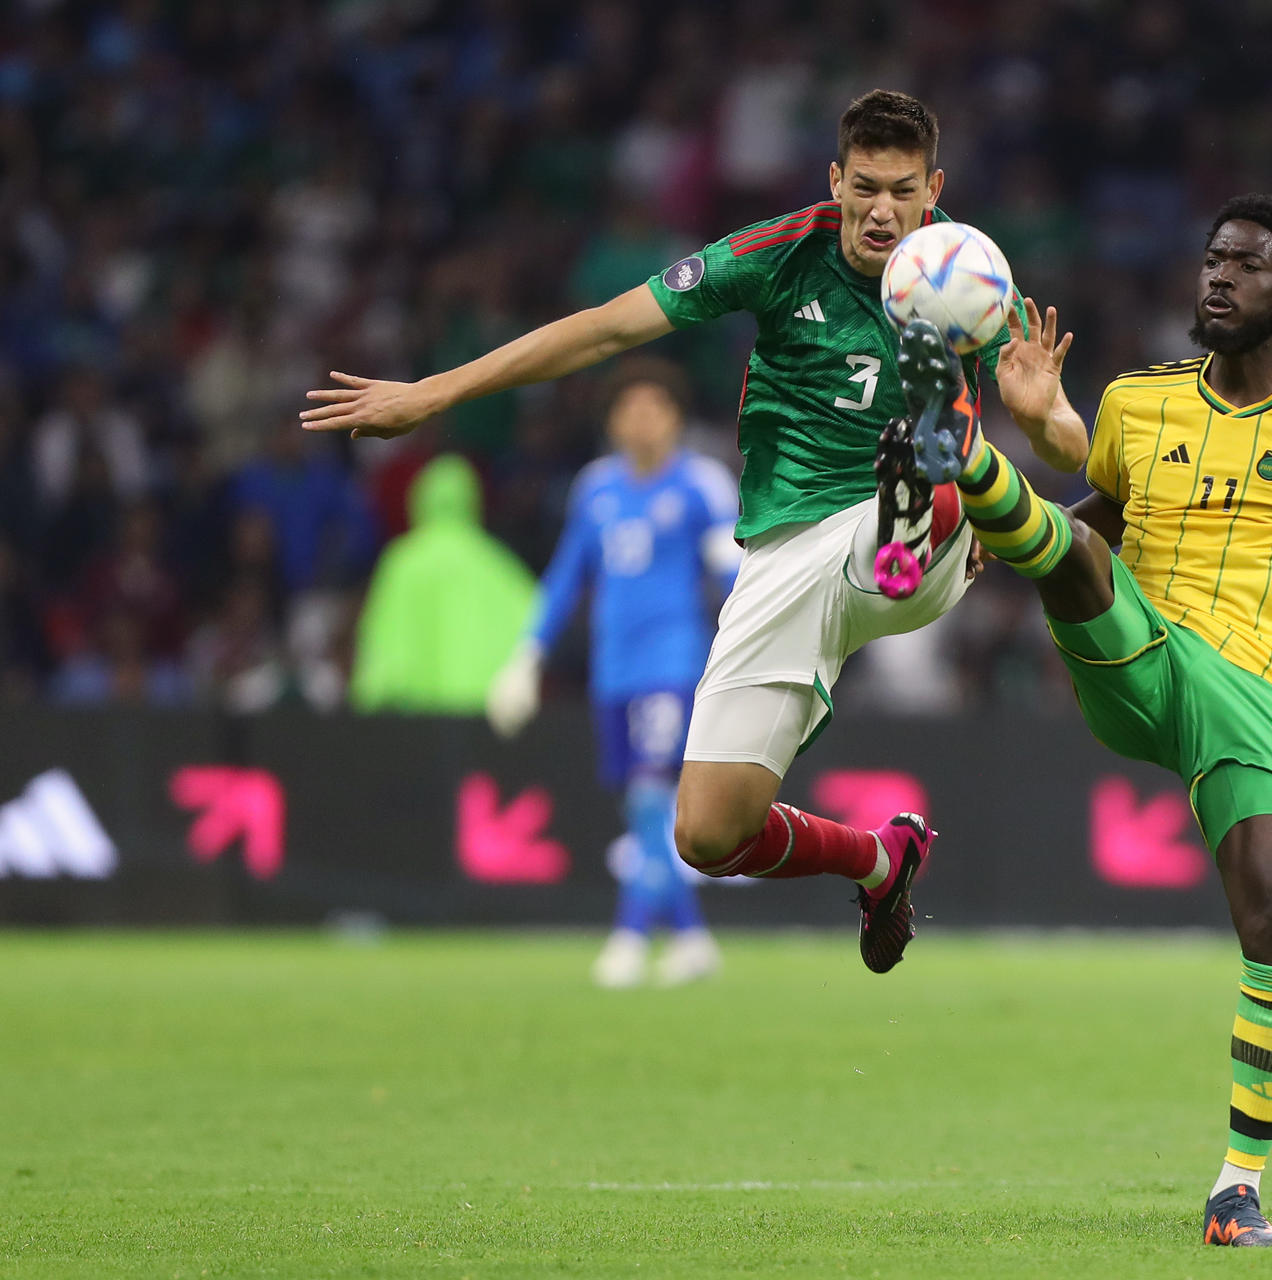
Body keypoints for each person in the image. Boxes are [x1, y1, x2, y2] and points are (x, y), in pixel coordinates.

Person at [301, 90, 1084, 972]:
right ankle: (880, 861)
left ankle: (922, 489)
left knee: (925, 462)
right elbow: (604, 330)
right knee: (708, 832)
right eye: (864, 186)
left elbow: (1070, 443)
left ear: (933, 186)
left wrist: (1043, 413)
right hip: (787, 558)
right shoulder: (777, 253)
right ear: (836, 178)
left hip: (913, 541)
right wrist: (436, 392)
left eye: (904, 190)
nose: (883, 211)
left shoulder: (969, 273)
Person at [891, 194, 1272, 1248]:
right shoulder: (1135, 399)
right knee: (1078, 558)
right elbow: (1106, 522)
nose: (1217, 277)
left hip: (1257, 702)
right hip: (1143, 659)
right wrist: (1021, 520)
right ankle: (962, 453)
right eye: (1211, 260)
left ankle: (1235, 1191)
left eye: (1246, 266)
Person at [487, 359, 739, 988]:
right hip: (612, 671)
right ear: (614, 421)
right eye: (630, 409)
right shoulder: (596, 489)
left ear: (676, 419)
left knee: (654, 792)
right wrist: (527, 655)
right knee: (640, 807)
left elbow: (736, 578)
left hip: (672, 664)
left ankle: (629, 937)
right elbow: (568, 575)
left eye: (655, 408)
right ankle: (689, 939)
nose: (642, 420)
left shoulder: (701, 486)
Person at [351, 454, 536, 713]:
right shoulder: (495, 561)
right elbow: (535, 621)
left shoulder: (403, 562)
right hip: (479, 715)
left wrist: (369, 695)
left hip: (415, 720)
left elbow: (382, 641)